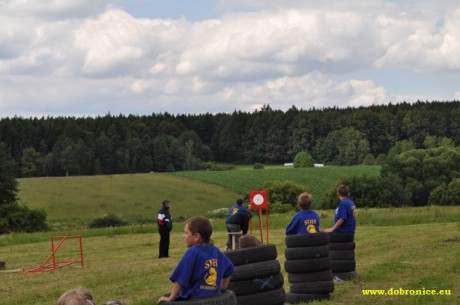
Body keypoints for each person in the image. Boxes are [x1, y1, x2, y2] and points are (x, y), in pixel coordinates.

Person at [157, 216, 235, 304]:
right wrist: (222, 288)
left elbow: (180, 279)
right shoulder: (215, 250)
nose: (183, 236)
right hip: (213, 297)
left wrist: (171, 298)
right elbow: (229, 269)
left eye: (186, 233)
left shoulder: (192, 252)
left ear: (196, 236)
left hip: (194, 298)